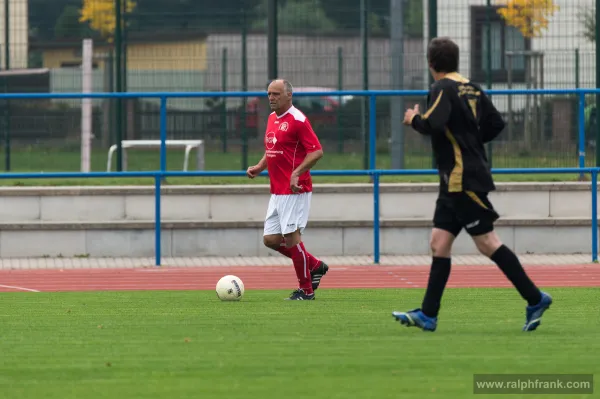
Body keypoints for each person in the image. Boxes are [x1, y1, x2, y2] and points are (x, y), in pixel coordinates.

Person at [392, 37, 552, 332]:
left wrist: (414, 119)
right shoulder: (472, 87)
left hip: (462, 178)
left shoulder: (442, 88)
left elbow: (434, 123)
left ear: (431, 63)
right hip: (455, 179)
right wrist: (471, 143)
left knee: (487, 242)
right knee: (438, 243)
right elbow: (496, 123)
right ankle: (428, 314)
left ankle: (535, 298)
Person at [246, 79, 329, 300]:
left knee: (293, 238)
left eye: (276, 94)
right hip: (277, 191)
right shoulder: (272, 118)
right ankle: (315, 265)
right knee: (271, 240)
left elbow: (317, 152)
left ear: (288, 95)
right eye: (269, 94)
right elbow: (272, 147)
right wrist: (259, 166)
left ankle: (306, 290)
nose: (271, 98)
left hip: (295, 190)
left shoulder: (299, 120)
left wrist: (296, 173)